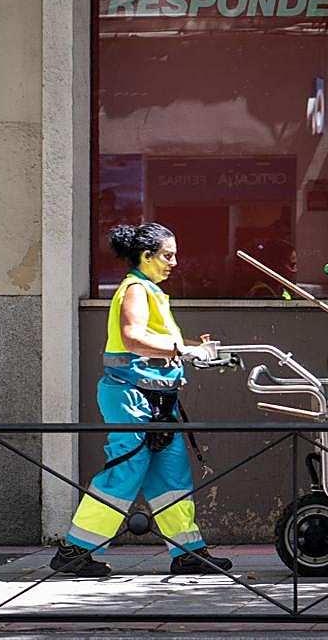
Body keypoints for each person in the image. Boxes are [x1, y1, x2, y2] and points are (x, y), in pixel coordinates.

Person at [50, 223, 233, 577]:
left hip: (157, 398)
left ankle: (188, 552)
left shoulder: (151, 291)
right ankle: (74, 550)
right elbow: (133, 339)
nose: (174, 262)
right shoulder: (135, 289)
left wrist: (196, 349)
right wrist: (186, 349)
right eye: (167, 255)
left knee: (171, 474)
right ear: (145, 256)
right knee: (127, 468)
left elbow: (155, 346)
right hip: (131, 395)